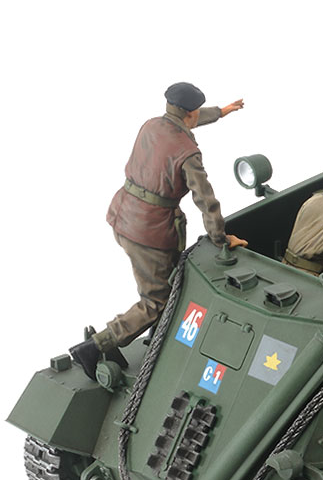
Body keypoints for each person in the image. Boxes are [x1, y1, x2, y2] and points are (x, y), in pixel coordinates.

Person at [69, 82, 248, 380]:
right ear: (190, 113)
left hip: (123, 215)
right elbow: (206, 201)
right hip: (149, 234)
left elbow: (182, 120)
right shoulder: (188, 153)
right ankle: (96, 346)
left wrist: (221, 112)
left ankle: (153, 336)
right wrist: (220, 238)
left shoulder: (151, 125)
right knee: (156, 301)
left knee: (159, 286)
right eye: (196, 112)